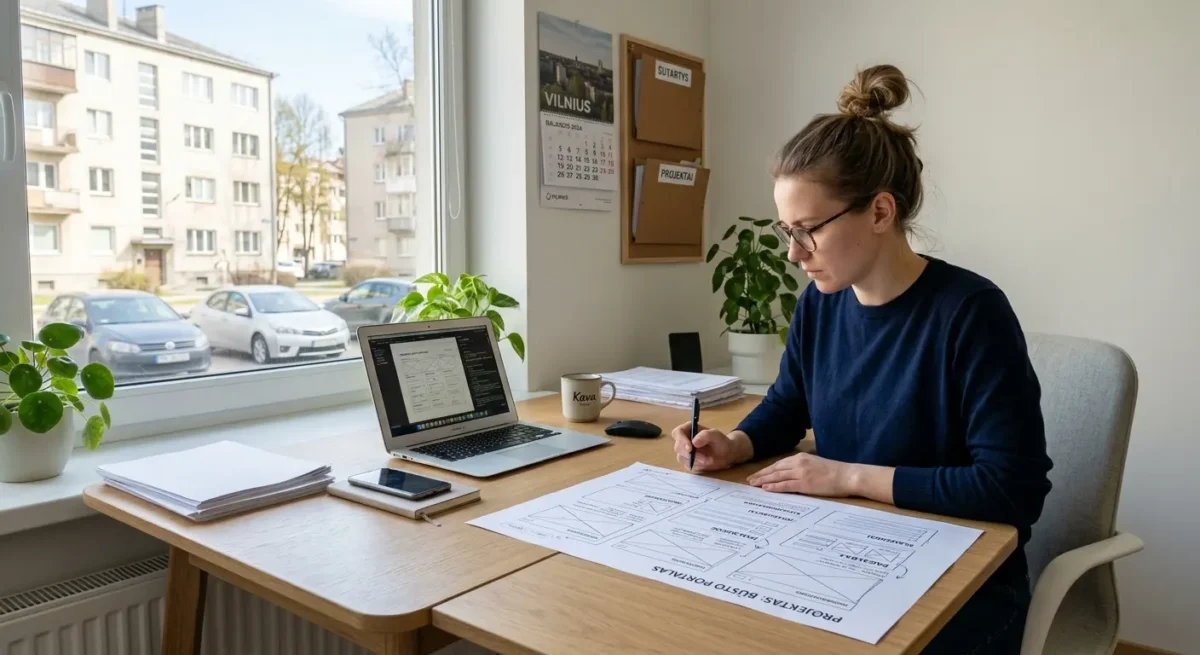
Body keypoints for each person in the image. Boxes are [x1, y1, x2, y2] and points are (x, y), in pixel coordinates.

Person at [672, 65, 1052, 654]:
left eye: (809, 231)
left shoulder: (972, 313)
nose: (795, 254)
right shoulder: (821, 305)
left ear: (880, 213)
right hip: (844, 552)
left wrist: (846, 476)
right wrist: (738, 444)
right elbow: (787, 404)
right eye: (785, 230)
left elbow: (1011, 490)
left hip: (966, 587)